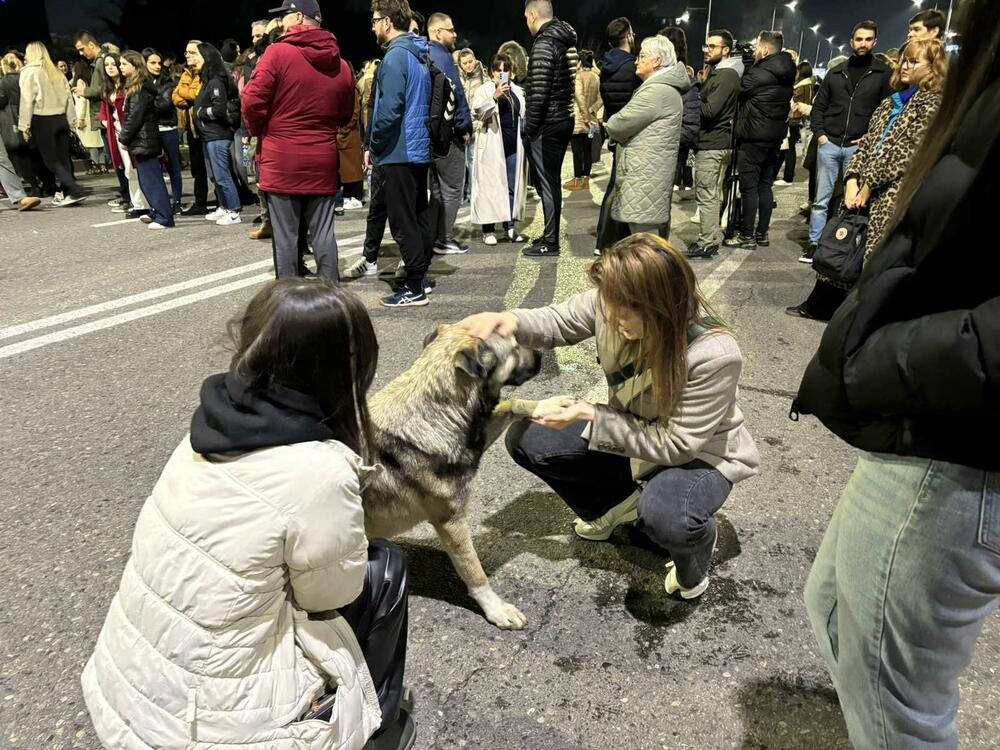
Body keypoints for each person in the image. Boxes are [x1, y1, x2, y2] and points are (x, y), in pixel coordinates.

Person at [80, 278, 415, 750]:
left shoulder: (212, 422)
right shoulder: (317, 469)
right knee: (384, 570)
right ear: (347, 366)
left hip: (126, 689)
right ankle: (376, 726)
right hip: (211, 728)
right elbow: (331, 593)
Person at [797, 1, 999, 745]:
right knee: (833, 614)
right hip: (929, 427)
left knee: (898, 706)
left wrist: (884, 355)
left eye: (920, 44)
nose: (912, 48)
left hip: (961, 445)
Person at [457, 233, 760, 599]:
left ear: (659, 307)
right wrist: (508, 320)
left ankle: (695, 558)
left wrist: (594, 417)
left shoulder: (714, 353)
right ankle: (615, 506)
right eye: (607, 308)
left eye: (623, 316)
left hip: (700, 454)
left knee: (668, 516)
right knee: (529, 437)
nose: (611, 320)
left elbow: (678, 444)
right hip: (635, 433)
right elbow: (557, 321)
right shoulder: (612, 301)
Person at [787, 37, 947, 322]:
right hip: (862, 186)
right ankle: (822, 304)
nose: (906, 66)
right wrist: (852, 180)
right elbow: (867, 144)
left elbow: (906, 153)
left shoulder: (932, 104)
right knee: (843, 244)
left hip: (892, 193)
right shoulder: (891, 101)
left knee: (874, 257)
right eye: (905, 60)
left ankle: (864, 317)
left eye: (914, 61)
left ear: (933, 67)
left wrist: (869, 184)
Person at [242, 0, 356, 278]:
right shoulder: (340, 65)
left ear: (299, 17)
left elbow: (251, 102)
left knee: (286, 236)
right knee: (323, 232)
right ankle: (331, 294)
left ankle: (289, 299)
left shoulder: (276, 53)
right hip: (323, 158)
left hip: (282, 157)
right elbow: (344, 114)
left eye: (284, 16)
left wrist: (262, 131)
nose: (281, 22)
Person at [802, 21, 893, 263]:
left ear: (875, 42)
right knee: (821, 199)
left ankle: (840, 245)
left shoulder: (884, 73)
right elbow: (819, 107)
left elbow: (888, 111)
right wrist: (821, 134)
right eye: (859, 39)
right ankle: (814, 243)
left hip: (858, 146)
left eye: (868, 39)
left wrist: (869, 138)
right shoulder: (836, 71)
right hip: (830, 143)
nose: (863, 43)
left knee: (850, 200)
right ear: (852, 41)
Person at [368, 0, 435, 308]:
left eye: (374, 20)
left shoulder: (395, 57)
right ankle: (420, 277)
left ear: (387, 23)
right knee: (418, 214)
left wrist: (374, 145)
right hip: (417, 146)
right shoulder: (417, 53)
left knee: (401, 220)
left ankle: (413, 287)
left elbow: (388, 111)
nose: (372, 26)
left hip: (398, 149)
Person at [602, 35, 687, 240]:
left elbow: (617, 124)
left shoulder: (656, 91)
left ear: (657, 61)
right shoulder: (662, 88)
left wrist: (610, 125)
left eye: (642, 56)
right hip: (648, 172)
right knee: (648, 239)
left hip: (645, 174)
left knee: (646, 242)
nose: (636, 61)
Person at [724, 30, 795, 249]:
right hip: (774, 138)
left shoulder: (759, 73)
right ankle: (762, 233)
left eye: (756, 48)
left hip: (753, 137)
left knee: (749, 188)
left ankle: (746, 236)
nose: (753, 51)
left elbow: (739, 90)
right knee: (765, 185)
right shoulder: (787, 71)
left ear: (764, 49)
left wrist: (748, 65)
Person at [521, 0, 578, 257]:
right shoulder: (565, 40)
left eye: (526, 17)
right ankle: (549, 235)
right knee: (551, 182)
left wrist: (529, 129)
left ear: (532, 14)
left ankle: (551, 241)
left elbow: (540, 94)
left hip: (548, 122)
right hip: (562, 117)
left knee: (547, 183)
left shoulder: (544, 43)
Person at [684, 30, 742, 259]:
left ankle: (708, 242)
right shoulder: (722, 73)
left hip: (713, 143)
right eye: (706, 46)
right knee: (712, 193)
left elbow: (710, 111)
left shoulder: (725, 75)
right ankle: (709, 237)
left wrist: (693, 97)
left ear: (725, 50)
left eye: (712, 46)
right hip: (716, 141)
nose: (707, 50)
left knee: (707, 194)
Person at [425, 12, 474, 256]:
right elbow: (455, 97)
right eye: (450, 29)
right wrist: (465, 127)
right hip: (449, 135)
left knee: (436, 187)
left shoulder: (424, 55)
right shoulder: (443, 58)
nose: (455, 34)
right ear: (437, 32)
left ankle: (434, 236)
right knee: (453, 187)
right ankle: (444, 238)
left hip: (432, 135)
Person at [18, 42, 88, 206]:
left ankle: (74, 188)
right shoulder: (56, 71)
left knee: (51, 160)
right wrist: (72, 121)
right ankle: (70, 192)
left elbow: (27, 101)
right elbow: (68, 99)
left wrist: (24, 126)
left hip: (43, 119)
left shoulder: (29, 73)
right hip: (61, 119)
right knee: (63, 158)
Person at [470, 53, 527, 246]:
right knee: (491, 188)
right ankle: (488, 230)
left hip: (513, 146)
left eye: (505, 70)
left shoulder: (518, 91)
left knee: (511, 187)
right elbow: (478, 112)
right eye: (498, 70)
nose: (501, 74)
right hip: (492, 146)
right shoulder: (484, 90)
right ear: (491, 71)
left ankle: (509, 227)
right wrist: (495, 96)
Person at [594, 17, 641, 251]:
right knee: (618, 186)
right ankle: (607, 239)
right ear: (629, 36)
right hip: (631, 132)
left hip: (614, 128)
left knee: (615, 183)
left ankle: (607, 237)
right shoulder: (632, 67)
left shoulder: (606, 66)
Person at [117, 51, 175, 229]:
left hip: (145, 139)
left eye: (124, 64)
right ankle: (157, 211)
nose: (121, 67)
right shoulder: (135, 86)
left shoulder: (139, 88)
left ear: (134, 66)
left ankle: (165, 217)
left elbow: (135, 116)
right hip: (142, 139)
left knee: (152, 180)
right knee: (146, 180)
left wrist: (123, 138)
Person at [194, 43, 242, 226]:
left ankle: (234, 211)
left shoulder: (215, 81)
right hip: (208, 136)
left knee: (223, 175)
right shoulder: (207, 80)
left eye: (197, 55)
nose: (193, 59)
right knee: (214, 176)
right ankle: (223, 206)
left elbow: (219, 109)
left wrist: (200, 113)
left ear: (207, 57)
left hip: (218, 135)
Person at [101, 51, 148, 218]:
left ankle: (144, 204)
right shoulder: (108, 87)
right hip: (117, 132)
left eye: (114, 64)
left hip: (130, 132)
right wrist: (106, 121)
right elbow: (105, 110)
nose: (111, 68)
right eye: (107, 65)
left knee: (135, 168)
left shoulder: (128, 85)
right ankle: (138, 203)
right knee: (127, 169)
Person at [659, 26, 701, 192]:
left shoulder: (688, 86)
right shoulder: (651, 81)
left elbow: (690, 128)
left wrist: (659, 140)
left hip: (666, 158)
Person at [172, 40, 212, 216]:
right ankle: (200, 202)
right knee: (197, 169)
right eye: (186, 52)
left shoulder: (207, 72)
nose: (187, 55)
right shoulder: (186, 73)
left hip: (207, 127)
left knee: (215, 168)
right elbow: (176, 97)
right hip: (192, 128)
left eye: (192, 52)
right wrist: (186, 93)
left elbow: (196, 95)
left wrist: (186, 93)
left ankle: (227, 203)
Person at [143, 48, 183, 213]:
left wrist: (144, 105)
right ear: (144, 63)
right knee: (154, 169)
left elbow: (164, 105)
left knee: (173, 166)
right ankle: (160, 203)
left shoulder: (168, 82)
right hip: (150, 130)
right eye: (152, 63)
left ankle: (177, 202)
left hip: (168, 129)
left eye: (159, 63)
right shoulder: (140, 82)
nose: (157, 66)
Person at [565, 49, 601, 192]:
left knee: (577, 150)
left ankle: (577, 179)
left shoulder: (578, 77)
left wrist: (585, 116)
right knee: (587, 150)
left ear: (579, 62)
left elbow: (579, 98)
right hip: (591, 122)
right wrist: (592, 110)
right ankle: (586, 179)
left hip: (579, 121)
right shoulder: (596, 77)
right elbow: (601, 98)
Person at [778, 61, 814, 186]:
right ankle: (783, 175)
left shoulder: (800, 86)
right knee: (786, 148)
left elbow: (794, 102)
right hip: (800, 119)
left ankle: (788, 177)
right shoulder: (810, 84)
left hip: (795, 119)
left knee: (789, 148)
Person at [458, 48, 486, 202]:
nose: (468, 65)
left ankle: (474, 195)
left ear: (475, 59)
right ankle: (463, 195)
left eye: (470, 61)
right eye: (465, 63)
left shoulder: (483, 77)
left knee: (474, 162)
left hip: (477, 127)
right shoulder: (458, 79)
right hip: (462, 128)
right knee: (463, 164)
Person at [70, 60, 106, 174]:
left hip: (85, 116)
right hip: (93, 114)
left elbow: (81, 102)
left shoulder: (80, 81)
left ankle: (94, 165)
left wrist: (80, 118)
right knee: (99, 143)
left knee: (90, 144)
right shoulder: (91, 79)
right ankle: (102, 165)